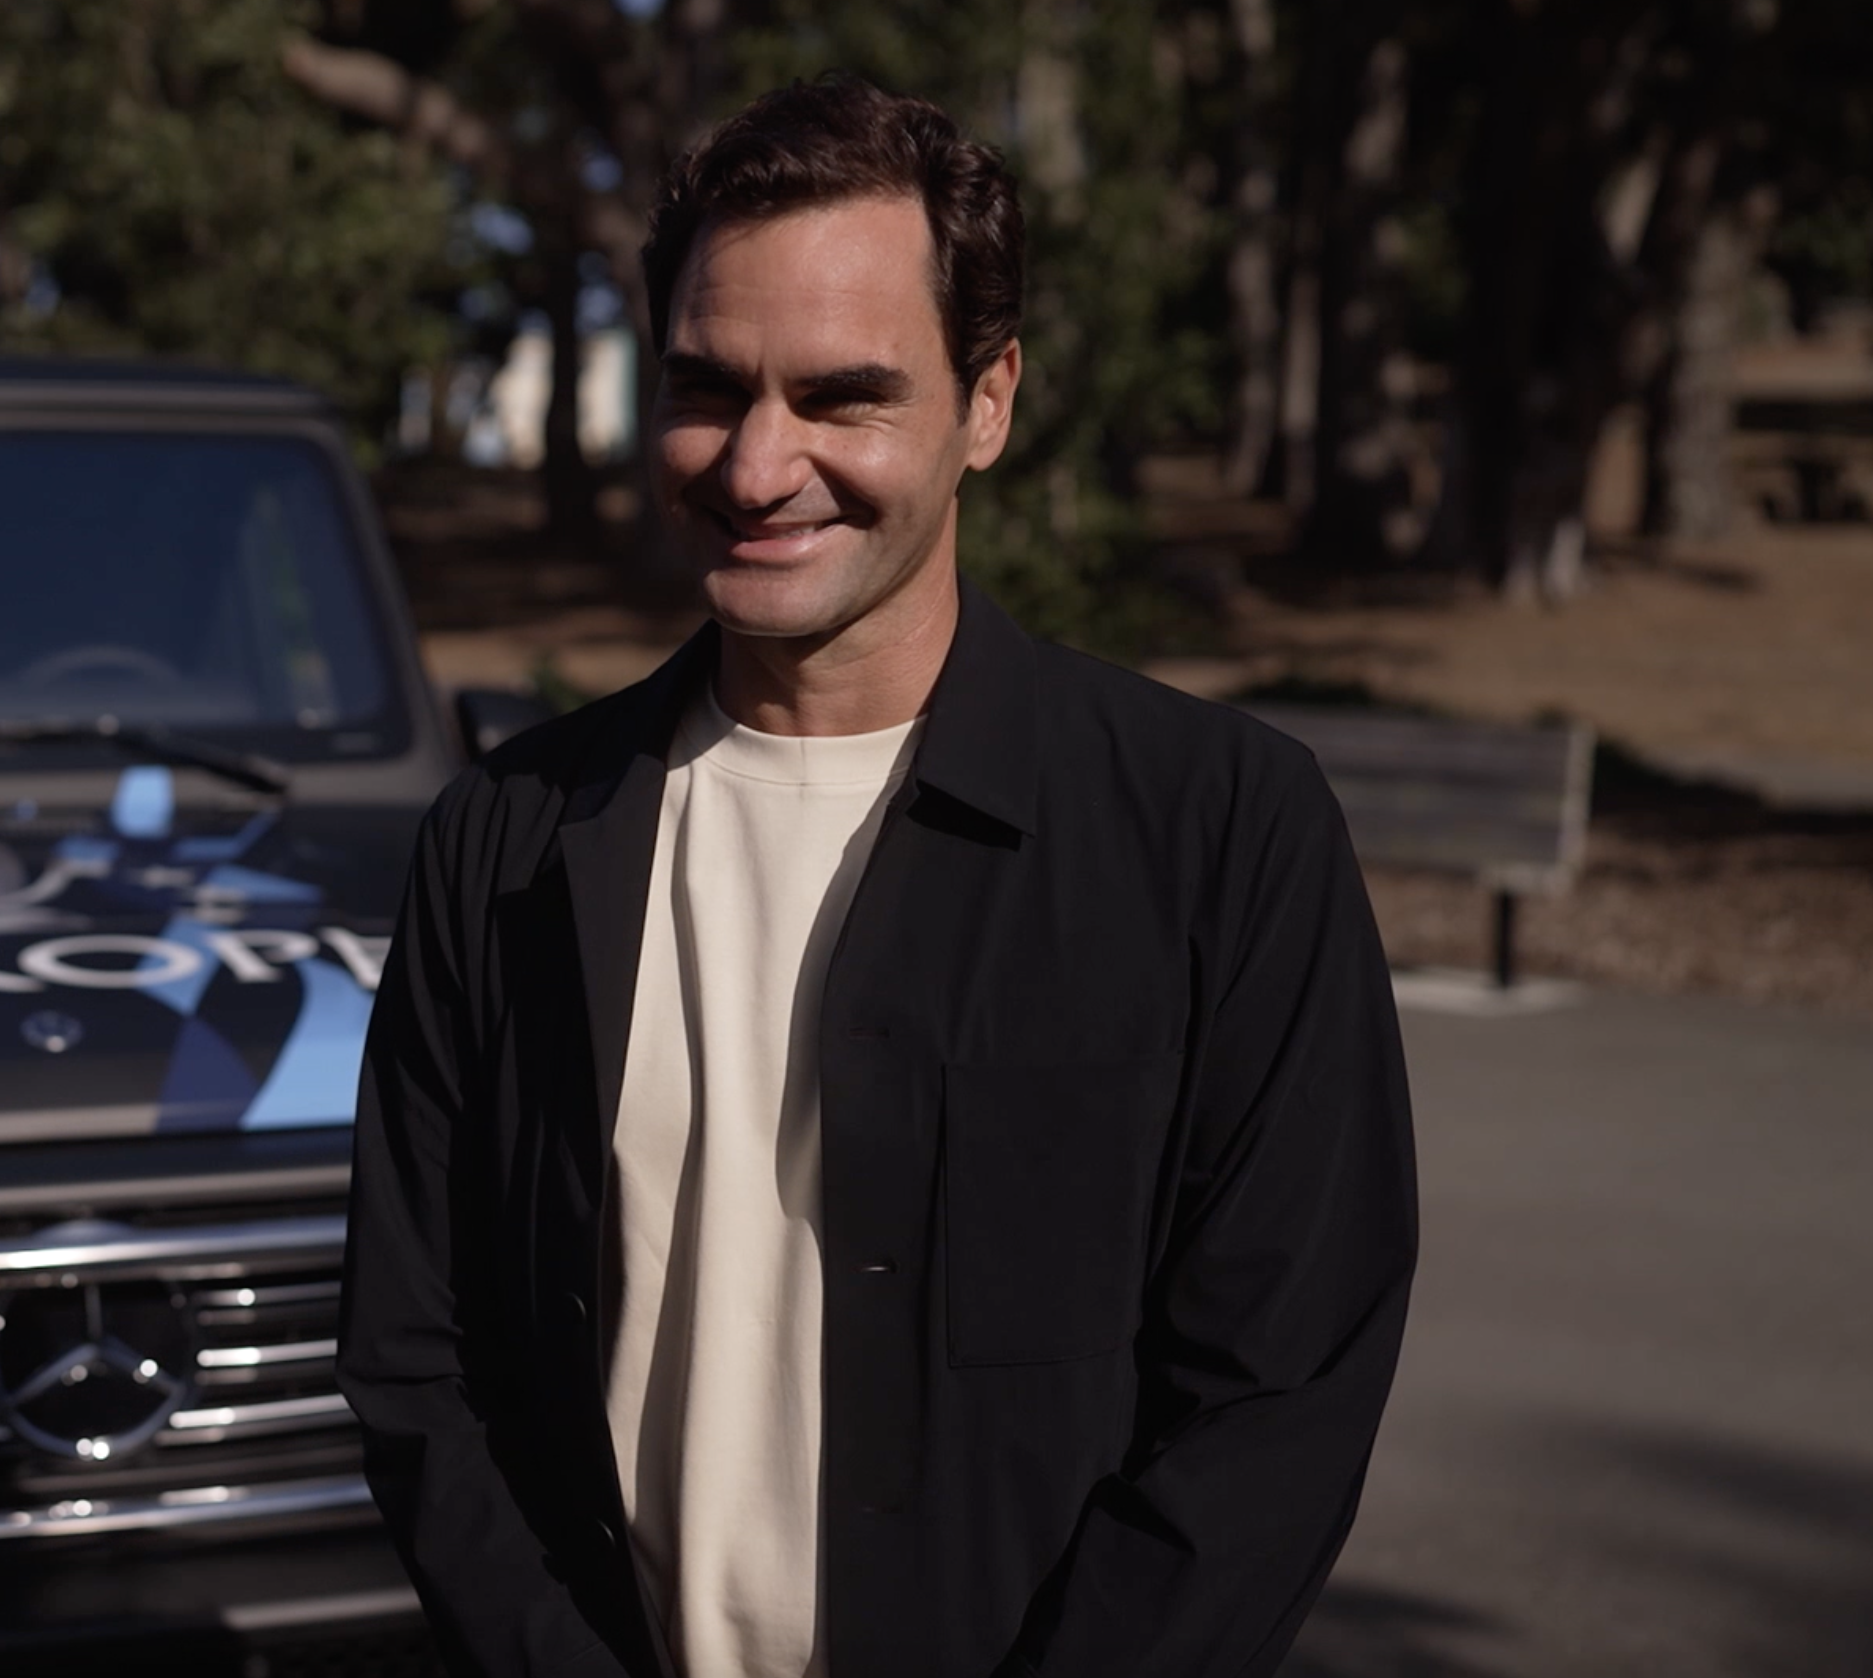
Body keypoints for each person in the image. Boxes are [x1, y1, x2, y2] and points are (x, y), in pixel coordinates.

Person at [338, 76, 1417, 1678]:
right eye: (707, 388)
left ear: (987, 403)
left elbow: (1275, 1396)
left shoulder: (1217, 831)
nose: (756, 464)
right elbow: (418, 1364)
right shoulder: (501, 841)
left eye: (842, 396)